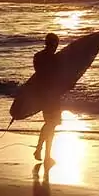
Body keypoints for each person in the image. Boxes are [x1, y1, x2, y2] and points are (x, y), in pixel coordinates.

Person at [33, 33, 63, 163]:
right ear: (52, 44)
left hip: (43, 94)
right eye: (55, 44)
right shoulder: (55, 59)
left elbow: (38, 76)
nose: (56, 46)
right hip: (52, 96)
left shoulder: (37, 57)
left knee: (50, 124)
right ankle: (41, 151)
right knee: (51, 124)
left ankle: (44, 154)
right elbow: (58, 77)